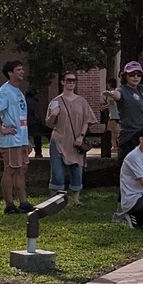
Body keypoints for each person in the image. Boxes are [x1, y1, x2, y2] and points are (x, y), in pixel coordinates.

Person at [45, 70, 98, 204]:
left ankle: (76, 199)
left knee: (77, 169)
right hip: (59, 140)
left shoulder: (82, 101)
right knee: (57, 171)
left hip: (76, 142)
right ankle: (55, 200)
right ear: (62, 82)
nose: (71, 83)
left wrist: (81, 136)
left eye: (74, 80)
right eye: (68, 80)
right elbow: (49, 124)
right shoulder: (56, 101)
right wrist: (53, 114)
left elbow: (87, 120)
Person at [0, 60, 32, 214]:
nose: (22, 72)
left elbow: (21, 118)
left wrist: (27, 139)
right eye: (18, 70)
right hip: (11, 141)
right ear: (10, 73)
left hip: (21, 140)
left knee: (21, 170)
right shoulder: (5, 91)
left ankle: (23, 202)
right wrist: (1, 128)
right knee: (10, 170)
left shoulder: (18, 91)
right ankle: (9, 205)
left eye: (22, 69)